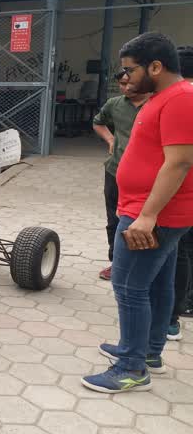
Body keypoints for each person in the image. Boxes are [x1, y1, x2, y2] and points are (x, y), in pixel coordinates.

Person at [82, 32, 193, 394]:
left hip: (153, 214)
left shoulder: (179, 100)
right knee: (157, 283)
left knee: (129, 287)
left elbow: (178, 163)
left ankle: (131, 367)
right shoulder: (165, 98)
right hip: (150, 209)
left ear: (156, 67)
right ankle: (148, 352)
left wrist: (147, 216)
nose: (125, 77)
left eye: (130, 70)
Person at [93, 74, 151, 281]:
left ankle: (143, 265)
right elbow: (98, 122)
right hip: (115, 170)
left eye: (130, 83)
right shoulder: (114, 104)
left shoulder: (157, 103)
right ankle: (116, 263)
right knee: (114, 219)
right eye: (122, 84)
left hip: (148, 176)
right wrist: (110, 139)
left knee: (143, 220)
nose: (126, 88)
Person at [167, 45, 193, 341]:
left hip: (179, 195)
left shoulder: (180, 100)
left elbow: (178, 160)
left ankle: (171, 317)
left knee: (180, 251)